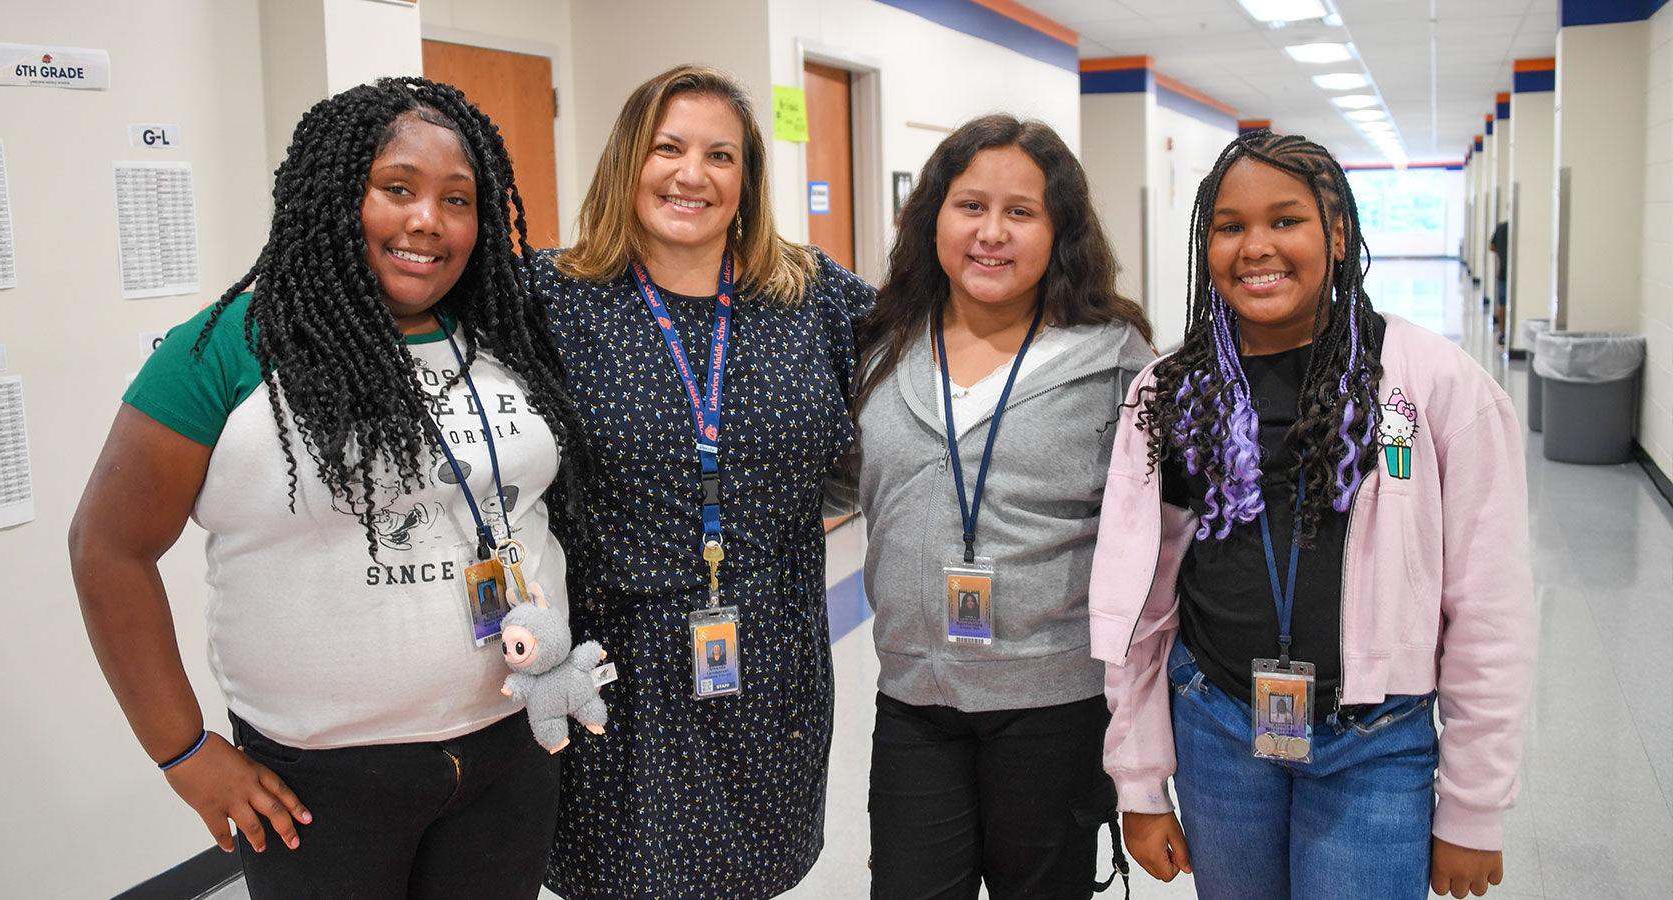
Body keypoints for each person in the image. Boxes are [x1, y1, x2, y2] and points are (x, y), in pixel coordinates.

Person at [69, 77, 588, 900]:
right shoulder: (227, 349)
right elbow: (108, 549)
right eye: (396, 189)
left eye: (458, 199)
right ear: (335, 196)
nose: (428, 221)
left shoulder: (505, 335)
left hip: (508, 750)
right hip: (317, 786)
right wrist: (181, 750)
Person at [1090, 130, 1537, 900]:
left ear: (1336, 233)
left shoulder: (1431, 383)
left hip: (1376, 744)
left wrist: (1472, 807)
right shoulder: (1171, 392)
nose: (1255, 246)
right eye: (1230, 227)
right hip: (1218, 725)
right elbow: (1141, 602)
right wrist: (1138, 781)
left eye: (1285, 220)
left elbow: (1489, 605)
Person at [533, 64, 874, 899]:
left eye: (722, 156)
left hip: (774, 658)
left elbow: (938, 355)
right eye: (668, 148)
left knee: (754, 873)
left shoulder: (810, 293)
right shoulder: (550, 295)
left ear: (748, 178)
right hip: (618, 669)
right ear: (626, 162)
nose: (693, 174)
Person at [849, 114, 1154, 900]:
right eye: (969, 206)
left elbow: (1162, 533)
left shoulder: (1113, 356)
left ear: (1060, 232)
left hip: (1054, 702)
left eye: (1021, 212)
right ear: (933, 218)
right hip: (913, 697)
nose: (991, 232)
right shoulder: (885, 340)